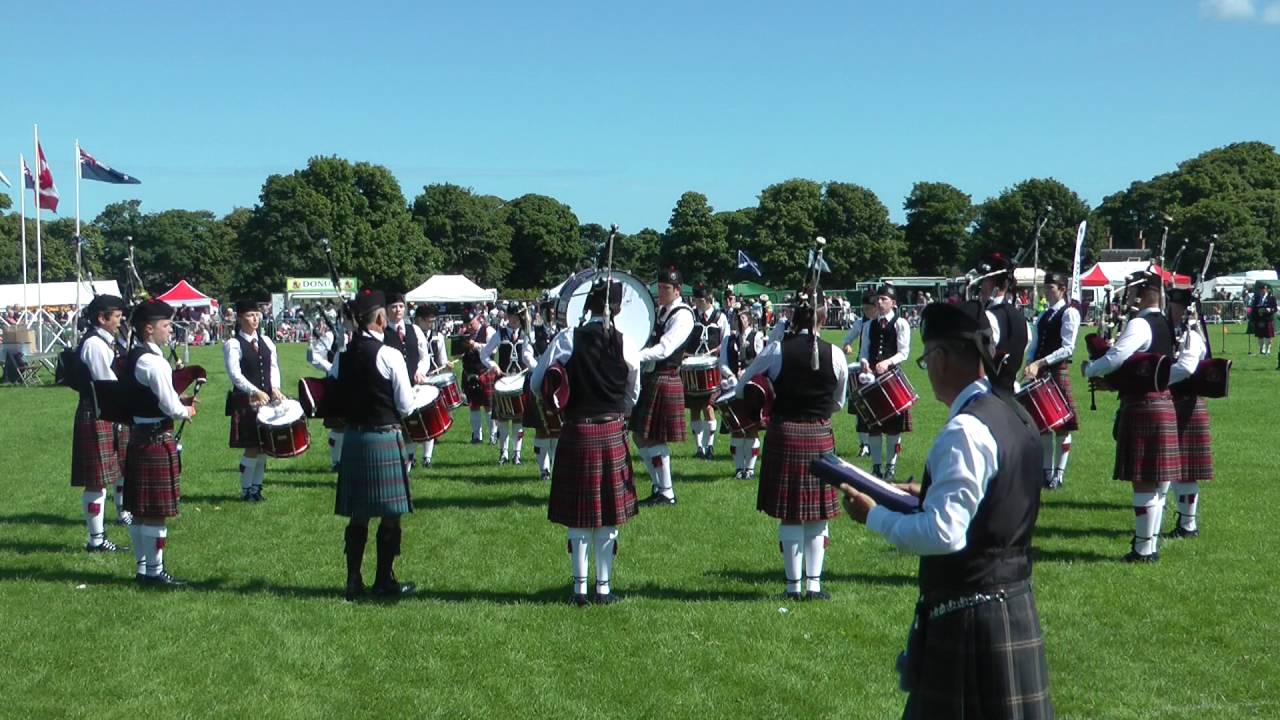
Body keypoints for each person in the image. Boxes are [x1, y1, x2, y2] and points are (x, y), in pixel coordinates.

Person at [838, 300, 1053, 719]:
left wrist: (874, 516)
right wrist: (927, 493)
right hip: (1014, 601)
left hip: (971, 615)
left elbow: (944, 534)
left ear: (941, 358)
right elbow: (998, 495)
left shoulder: (965, 430)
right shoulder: (1016, 413)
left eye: (926, 358)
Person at [534, 280, 641, 605]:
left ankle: (579, 589)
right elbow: (632, 394)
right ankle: (604, 589)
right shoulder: (628, 343)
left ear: (587, 306)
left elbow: (538, 382)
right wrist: (615, 410)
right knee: (607, 516)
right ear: (619, 308)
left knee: (578, 515)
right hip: (611, 431)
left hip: (577, 430)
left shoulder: (567, 339)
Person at [737, 288, 848, 600]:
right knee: (817, 515)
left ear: (792, 316)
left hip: (785, 433)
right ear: (824, 317)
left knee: (791, 513)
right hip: (819, 433)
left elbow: (747, 385)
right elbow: (837, 402)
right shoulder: (836, 354)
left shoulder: (776, 350)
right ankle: (814, 585)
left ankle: (792, 586)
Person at [1085, 269, 1182, 562]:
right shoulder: (1164, 322)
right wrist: (1113, 383)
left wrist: (1090, 369)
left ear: (1142, 292)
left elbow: (1117, 357)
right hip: (1162, 402)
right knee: (1155, 482)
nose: (1128, 296)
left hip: (1142, 407)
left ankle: (1142, 549)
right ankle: (1149, 545)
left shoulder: (1140, 324)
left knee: (1143, 481)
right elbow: (1142, 368)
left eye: (1130, 291)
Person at [330, 290, 416, 601]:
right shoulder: (390, 355)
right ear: (380, 318)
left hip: (354, 438)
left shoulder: (343, 355)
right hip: (383, 436)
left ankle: (353, 581)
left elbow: (333, 393)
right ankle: (384, 581)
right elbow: (405, 406)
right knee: (391, 514)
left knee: (359, 514)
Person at [122, 300, 198, 587]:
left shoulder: (135, 356)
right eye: (165, 326)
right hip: (154, 438)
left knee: (141, 512)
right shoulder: (153, 362)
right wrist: (184, 410)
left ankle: (144, 569)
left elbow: (157, 398)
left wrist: (179, 402)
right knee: (154, 512)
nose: (169, 331)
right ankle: (154, 573)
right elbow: (168, 404)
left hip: (140, 436)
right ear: (149, 328)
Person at [69, 294, 131, 551]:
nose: (120, 321)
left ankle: (122, 512)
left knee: (121, 466)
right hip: (98, 412)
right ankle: (96, 540)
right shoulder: (94, 344)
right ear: (101, 318)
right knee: (97, 479)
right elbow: (106, 383)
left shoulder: (109, 341)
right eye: (116, 317)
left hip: (110, 410)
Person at [632, 267, 695, 506]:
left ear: (677, 289)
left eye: (665, 288)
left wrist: (634, 355)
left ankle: (667, 492)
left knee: (655, 438)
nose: (660, 292)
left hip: (666, 377)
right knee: (639, 435)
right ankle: (658, 486)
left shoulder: (683, 315)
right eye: (658, 288)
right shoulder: (660, 311)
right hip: (652, 377)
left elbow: (666, 348)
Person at [1022, 271, 1081, 490]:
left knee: (1062, 426)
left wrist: (1041, 363)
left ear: (1063, 289)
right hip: (1040, 373)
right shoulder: (1044, 314)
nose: (1047, 291)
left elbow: (1068, 348)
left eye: (1051, 288)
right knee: (1043, 426)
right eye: (1046, 288)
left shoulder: (1070, 313)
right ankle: (1046, 473)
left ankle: (1059, 474)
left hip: (1056, 372)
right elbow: (1035, 343)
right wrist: (1029, 362)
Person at [223, 300, 284, 502]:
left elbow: (273, 367)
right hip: (247, 400)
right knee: (252, 446)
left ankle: (257, 488)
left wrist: (275, 387)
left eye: (257, 314)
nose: (255, 318)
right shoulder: (233, 344)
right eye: (250, 315)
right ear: (240, 318)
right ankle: (246, 489)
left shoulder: (267, 341)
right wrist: (255, 391)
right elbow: (235, 374)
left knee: (264, 446)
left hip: (267, 400)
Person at [1167, 286, 1212, 539]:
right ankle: (1185, 523)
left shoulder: (1192, 336)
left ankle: (1188, 524)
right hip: (1175, 402)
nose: (1171, 311)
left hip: (1187, 403)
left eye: (1174, 306)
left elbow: (1185, 367)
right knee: (1177, 469)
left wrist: (1157, 379)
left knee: (1187, 470)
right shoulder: (1174, 333)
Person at [856, 284, 912, 480]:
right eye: (878, 299)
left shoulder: (901, 323)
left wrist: (887, 362)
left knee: (893, 426)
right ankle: (876, 466)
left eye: (884, 299)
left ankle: (891, 466)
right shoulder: (868, 325)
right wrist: (864, 363)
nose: (879, 302)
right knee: (874, 425)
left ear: (893, 303)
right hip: (871, 380)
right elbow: (864, 351)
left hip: (892, 379)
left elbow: (904, 352)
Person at [482, 302, 535, 464]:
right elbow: (484, 354)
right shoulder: (500, 333)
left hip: (520, 381)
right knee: (503, 419)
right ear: (507, 316)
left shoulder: (527, 334)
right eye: (511, 316)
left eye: (517, 317)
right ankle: (503, 453)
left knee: (519, 419)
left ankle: (517, 454)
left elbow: (531, 355)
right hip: (503, 381)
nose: (514, 320)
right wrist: (493, 366)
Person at [382, 292, 429, 473]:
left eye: (401, 306)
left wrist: (420, 371)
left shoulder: (414, 330)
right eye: (394, 306)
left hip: (415, 386)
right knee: (395, 428)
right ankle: (395, 463)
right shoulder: (383, 333)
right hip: (392, 388)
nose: (398, 310)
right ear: (387, 310)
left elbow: (425, 357)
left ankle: (407, 466)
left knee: (413, 427)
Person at [717, 304, 765, 479]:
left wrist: (748, 372)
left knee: (751, 427)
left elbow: (761, 361)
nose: (739, 320)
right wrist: (730, 376)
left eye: (743, 317)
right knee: (736, 428)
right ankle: (739, 469)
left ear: (749, 318)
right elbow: (722, 362)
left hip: (751, 386)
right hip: (732, 387)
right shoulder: (728, 339)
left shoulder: (757, 336)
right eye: (737, 317)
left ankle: (750, 470)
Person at [972, 253, 1029, 392]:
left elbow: (978, 365)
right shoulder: (1023, 320)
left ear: (992, 283)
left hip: (988, 396)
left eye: (984, 281)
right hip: (1010, 395)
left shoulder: (989, 317)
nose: (981, 288)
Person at [687, 284, 731, 459]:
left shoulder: (720, 317)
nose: (697, 303)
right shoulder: (691, 316)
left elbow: (725, 341)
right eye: (696, 300)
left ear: (708, 299)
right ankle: (699, 448)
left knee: (708, 407)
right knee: (694, 409)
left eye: (700, 300)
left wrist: (716, 352)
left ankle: (710, 446)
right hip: (692, 365)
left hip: (712, 367)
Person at [307, 310, 348, 471]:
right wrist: (331, 368)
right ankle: (336, 461)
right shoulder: (331, 336)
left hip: (357, 384)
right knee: (337, 425)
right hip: (336, 384)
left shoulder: (361, 334)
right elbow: (312, 356)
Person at [842, 290, 879, 458]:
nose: (865, 311)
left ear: (876, 307)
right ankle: (864, 445)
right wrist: (847, 345)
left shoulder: (883, 323)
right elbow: (847, 339)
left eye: (868, 308)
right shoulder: (860, 323)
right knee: (860, 408)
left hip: (881, 370)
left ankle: (879, 443)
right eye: (863, 308)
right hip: (863, 370)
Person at [527, 301, 561, 481]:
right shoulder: (534, 332)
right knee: (541, 429)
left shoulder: (563, 332)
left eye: (555, 311)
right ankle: (543, 470)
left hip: (557, 383)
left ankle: (556, 468)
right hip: (539, 382)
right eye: (550, 311)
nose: (553, 314)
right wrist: (541, 368)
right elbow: (526, 354)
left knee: (557, 429)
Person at [413, 304, 450, 469]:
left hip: (433, 380)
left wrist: (446, 364)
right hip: (416, 380)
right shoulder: (411, 334)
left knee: (429, 420)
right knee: (413, 419)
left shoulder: (438, 336)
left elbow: (442, 359)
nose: (431, 324)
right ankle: (411, 456)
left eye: (433, 321)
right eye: (429, 321)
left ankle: (427, 457)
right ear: (419, 319)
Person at [461, 310, 499, 444]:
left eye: (471, 324)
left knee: (489, 406)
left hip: (485, 372)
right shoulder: (465, 333)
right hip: (469, 373)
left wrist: (475, 345)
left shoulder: (489, 330)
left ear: (479, 319)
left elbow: (493, 349)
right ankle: (477, 436)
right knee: (473, 405)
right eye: (466, 325)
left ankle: (493, 435)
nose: (468, 327)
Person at [1249, 282, 1276, 354]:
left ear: (1266, 290)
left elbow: (1275, 308)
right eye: (1262, 289)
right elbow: (1253, 308)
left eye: (1264, 289)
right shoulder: (1257, 298)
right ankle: (1262, 348)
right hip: (1259, 319)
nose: (1263, 290)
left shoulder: (1271, 297)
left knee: (1269, 335)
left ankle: (1268, 348)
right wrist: (1253, 316)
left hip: (1268, 318)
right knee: (1260, 335)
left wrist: (1270, 309)